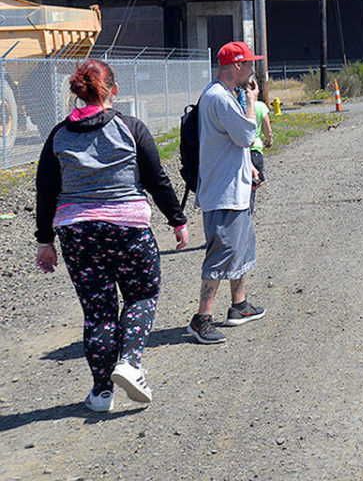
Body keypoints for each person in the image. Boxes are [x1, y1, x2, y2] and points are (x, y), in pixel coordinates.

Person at [35, 59, 188, 412]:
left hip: (77, 232)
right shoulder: (130, 127)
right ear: (113, 90)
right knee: (142, 295)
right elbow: (156, 179)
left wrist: (45, 241)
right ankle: (130, 363)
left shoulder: (58, 135)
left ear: (78, 92)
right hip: (127, 227)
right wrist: (177, 220)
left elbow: (46, 190)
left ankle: (102, 393)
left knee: (97, 311)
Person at [187, 41, 267, 345]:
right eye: (249, 63)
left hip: (234, 188)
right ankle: (202, 319)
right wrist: (252, 102)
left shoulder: (224, 94)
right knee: (221, 254)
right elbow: (246, 135)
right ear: (237, 65)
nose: (252, 69)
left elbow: (233, 142)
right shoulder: (219, 97)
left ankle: (239, 306)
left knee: (240, 249)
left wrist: (250, 168)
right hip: (223, 192)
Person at [251, 89, 273, 192]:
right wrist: (269, 140)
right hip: (255, 149)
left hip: (239, 151)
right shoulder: (260, 106)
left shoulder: (237, 105)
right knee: (254, 184)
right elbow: (268, 130)